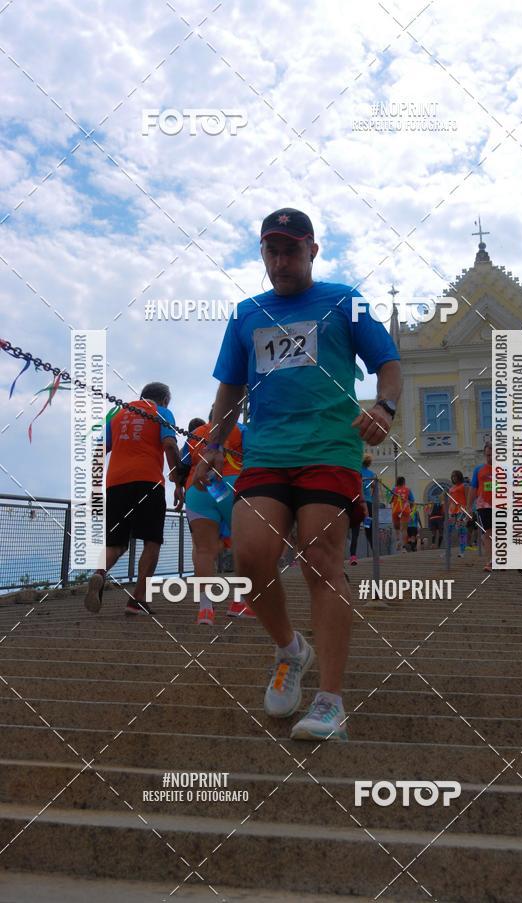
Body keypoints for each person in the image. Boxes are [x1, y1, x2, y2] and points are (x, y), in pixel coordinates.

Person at [194, 207, 401, 741]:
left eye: (291, 249)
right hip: (265, 453)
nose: (281, 260)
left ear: (312, 250)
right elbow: (229, 390)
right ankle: (291, 649)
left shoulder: (342, 300)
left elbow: (390, 364)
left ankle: (330, 700)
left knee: (319, 554)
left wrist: (384, 410)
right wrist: (213, 445)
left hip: (330, 449)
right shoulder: (246, 313)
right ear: (262, 253)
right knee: (250, 555)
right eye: (271, 250)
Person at [84, 382, 183, 616]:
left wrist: (95, 485)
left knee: (116, 543)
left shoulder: (118, 414)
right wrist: (178, 482)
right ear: (165, 400)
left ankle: (99, 573)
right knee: (152, 540)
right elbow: (169, 445)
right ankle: (137, 600)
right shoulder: (161, 412)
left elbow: (99, 450)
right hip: (148, 481)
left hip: (116, 483)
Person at [181, 415, 254, 624]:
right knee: (243, 544)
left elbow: (182, 466)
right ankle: (239, 602)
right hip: (227, 485)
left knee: (203, 550)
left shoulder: (195, 433)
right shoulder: (240, 429)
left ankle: (205, 610)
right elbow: (253, 459)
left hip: (197, 487)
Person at [467, 442, 493, 571]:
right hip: (483, 506)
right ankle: (490, 561)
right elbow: (473, 488)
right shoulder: (479, 469)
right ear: (484, 454)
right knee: (488, 533)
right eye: (488, 455)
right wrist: (469, 507)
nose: (491, 457)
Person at [348, 454, 376, 564]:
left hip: (356, 503)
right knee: (369, 529)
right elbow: (374, 487)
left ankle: (353, 556)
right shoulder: (371, 474)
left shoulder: (355, 472)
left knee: (355, 531)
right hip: (367, 504)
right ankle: (375, 555)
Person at [447, 470, 468, 558]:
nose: (453, 478)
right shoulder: (451, 488)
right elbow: (450, 500)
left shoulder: (464, 485)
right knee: (449, 531)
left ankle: (462, 551)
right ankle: (448, 551)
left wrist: (467, 509)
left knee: (461, 530)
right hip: (452, 511)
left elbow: (468, 497)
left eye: (455, 476)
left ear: (459, 476)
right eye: (452, 476)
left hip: (462, 510)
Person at [391, 476, 414, 551]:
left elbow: (389, 500)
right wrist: (411, 509)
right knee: (404, 530)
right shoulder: (408, 490)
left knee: (397, 528)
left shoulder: (394, 489)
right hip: (405, 510)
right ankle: (404, 547)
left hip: (396, 510)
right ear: (404, 482)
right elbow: (412, 501)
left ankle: (398, 541)